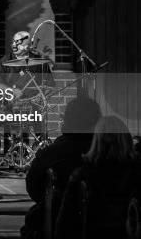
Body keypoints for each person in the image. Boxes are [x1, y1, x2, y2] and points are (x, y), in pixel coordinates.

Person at [21, 97, 101, 239]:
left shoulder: (53, 153)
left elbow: (33, 187)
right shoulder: (110, 152)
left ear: (68, 121)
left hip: (61, 222)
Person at [55, 116, 141, 239]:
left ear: (96, 140)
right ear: (126, 139)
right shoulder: (137, 172)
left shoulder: (83, 175)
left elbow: (65, 222)